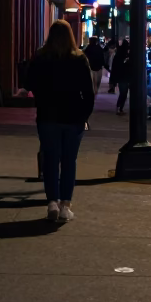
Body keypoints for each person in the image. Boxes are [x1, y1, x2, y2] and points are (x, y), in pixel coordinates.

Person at [27, 20, 94, 223]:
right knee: (68, 161)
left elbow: (29, 83)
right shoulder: (79, 58)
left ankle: (52, 203)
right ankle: (66, 205)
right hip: (73, 117)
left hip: (48, 116)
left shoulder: (41, 56)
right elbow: (88, 93)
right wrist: (84, 116)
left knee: (50, 160)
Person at [111, 38, 131, 113]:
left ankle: (119, 107)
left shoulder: (118, 55)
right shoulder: (126, 56)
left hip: (121, 77)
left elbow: (114, 67)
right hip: (124, 77)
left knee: (123, 93)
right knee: (124, 93)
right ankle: (119, 107)